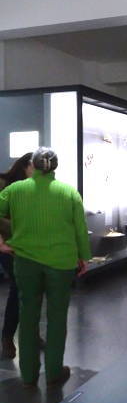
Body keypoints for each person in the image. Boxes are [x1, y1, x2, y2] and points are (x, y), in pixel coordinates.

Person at [0, 147, 91, 388]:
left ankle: (28, 374)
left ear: (33, 165)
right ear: (55, 167)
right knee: (57, 317)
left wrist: (1, 242)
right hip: (61, 263)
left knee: (28, 316)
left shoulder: (14, 190)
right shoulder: (69, 192)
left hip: (26, 262)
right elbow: (80, 229)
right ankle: (53, 372)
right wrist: (84, 257)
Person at [0, 153, 34, 359]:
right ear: (26, 166)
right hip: (7, 246)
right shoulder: (3, 183)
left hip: (27, 246)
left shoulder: (32, 187)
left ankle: (30, 334)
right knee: (19, 287)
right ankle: (7, 338)